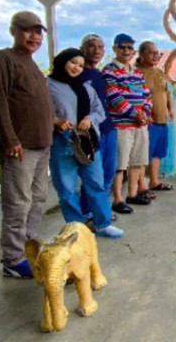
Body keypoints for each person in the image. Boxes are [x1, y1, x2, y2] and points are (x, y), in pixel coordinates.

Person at [0, 11, 54, 278]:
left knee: (37, 199)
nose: (34, 36)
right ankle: (13, 259)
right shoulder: (3, 59)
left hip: (41, 145)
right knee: (18, 203)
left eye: (38, 32)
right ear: (14, 30)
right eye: (27, 30)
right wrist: (10, 139)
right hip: (20, 147)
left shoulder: (31, 63)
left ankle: (29, 247)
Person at [47, 48, 124, 238]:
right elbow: (38, 112)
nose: (77, 68)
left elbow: (100, 111)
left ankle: (102, 223)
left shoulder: (86, 87)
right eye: (73, 62)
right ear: (63, 61)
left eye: (81, 65)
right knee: (66, 189)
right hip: (63, 144)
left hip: (88, 143)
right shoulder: (47, 85)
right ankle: (76, 226)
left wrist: (90, 118)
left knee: (96, 184)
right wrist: (56, 122)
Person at [78, 34, 128, 217]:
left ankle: (101, 210)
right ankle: (87, 214)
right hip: (91, 132)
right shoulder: (79, 73)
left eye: (100, 47)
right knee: (92, 177)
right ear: (83, 48)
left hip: (108, 129)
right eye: (91, 46)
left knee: (108, 173)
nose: (96, 51)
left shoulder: (99, 74)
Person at [102, 33, 152, 213]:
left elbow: (146, 95)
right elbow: (113, 96)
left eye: (130, 47)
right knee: (120, 164)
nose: (126, 50)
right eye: (122, 47)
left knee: (138, 161)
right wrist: (135, 114)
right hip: (121, 124)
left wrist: (145, 112)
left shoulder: (137, 73)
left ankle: (132, 194)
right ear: (115, 49)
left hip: (140, 124)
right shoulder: (109, 70)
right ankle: (117, 199)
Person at [137, 41, 175, 193]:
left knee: (157, 153)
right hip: (146, 121)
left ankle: (154, 181)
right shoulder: (137, 72)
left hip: (161, 119)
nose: (155, 56)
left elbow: (166, 92)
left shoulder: (159, 72)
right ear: (141, 54)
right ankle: (141, 187)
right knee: (142, 155)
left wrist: (170, 109)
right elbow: (134, 95)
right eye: (151, 52)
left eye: (157, 53)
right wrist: (144, 114)